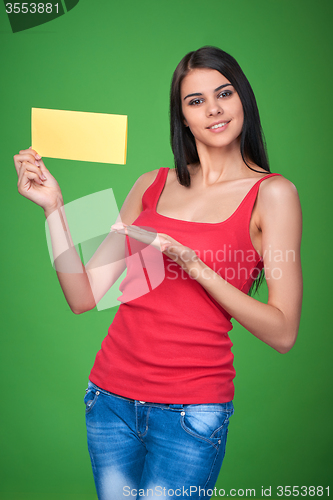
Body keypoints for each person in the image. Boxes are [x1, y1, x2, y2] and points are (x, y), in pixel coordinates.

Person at [13, 46, 302, 500]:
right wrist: (54, 208)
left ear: (242, 98)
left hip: (191, 413)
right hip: (109, 400)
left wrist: (191, 262)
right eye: (195, 101)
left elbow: (283, 332)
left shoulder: (274, 193)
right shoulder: (150, 184)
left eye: (224, 93)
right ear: (182, 117)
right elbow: (84, 295)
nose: (214, 109)